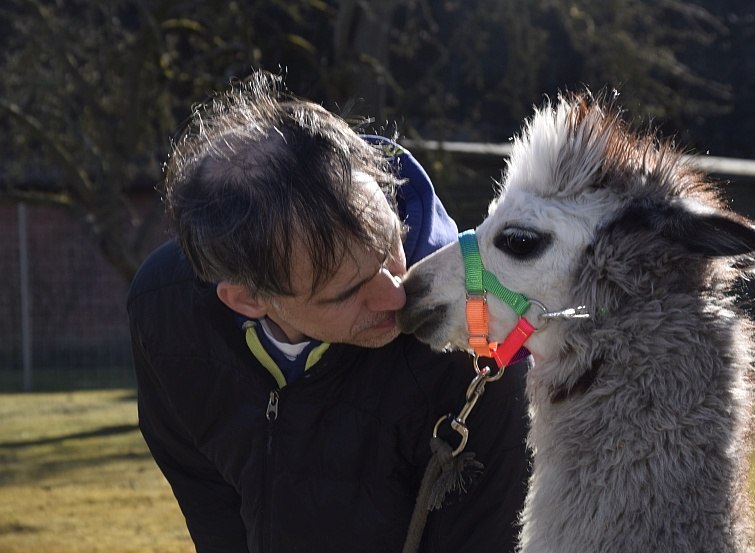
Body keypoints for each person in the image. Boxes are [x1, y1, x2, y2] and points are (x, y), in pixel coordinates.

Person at [127, 70, 530, 553]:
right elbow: (207, 497)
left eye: (390, 244)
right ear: (247, 300)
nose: (396, 296)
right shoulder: (166, 316)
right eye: (346, 293)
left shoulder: (477, 362)